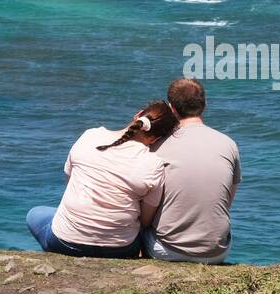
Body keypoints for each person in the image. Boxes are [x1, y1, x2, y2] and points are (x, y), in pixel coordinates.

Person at [27, 101, 179, 258]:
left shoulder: (90, 135)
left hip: (65, 242)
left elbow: (69, 183)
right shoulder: (153, 164)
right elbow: (145, 221)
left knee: (34, 213)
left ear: (138, 116)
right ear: (156, 139)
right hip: (120, 249)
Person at [142, 78, 240, 264]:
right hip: (217, 251)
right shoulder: (229, 144)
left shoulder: (158, 145)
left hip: (168, 250)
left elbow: (147, 207)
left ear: (171, 108)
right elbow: (226, 201)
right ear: (204, 105)